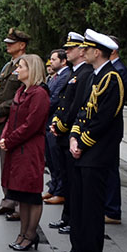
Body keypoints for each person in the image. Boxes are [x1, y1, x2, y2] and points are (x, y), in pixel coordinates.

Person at [55, 29, 124, 252]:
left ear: (98, 52)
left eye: (87, 49)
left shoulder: (111, 78)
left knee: (92, 208)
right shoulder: (93, 76)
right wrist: (74, 136)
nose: (83, 52)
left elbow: (104, 118)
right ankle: (77, 248)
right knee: (78, 203)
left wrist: (82, 143)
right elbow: (82, 111)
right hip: (82, 150)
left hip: (97, 152)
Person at [0, 54, 50, 250]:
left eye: (20, 67)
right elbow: (11, 119)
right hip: (17, 149)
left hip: (29, 150)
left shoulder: (39, 94)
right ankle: (22, 233)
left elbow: (31, 125)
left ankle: (30, 234)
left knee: (31, 194)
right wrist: (5, 136)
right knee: (21, 193)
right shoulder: (22, 91)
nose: (17, 70)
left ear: (31, 70)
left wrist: (10, 140)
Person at [47, 33, 92, 234]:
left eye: (70, 49)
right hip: (65, 135)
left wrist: (61, 126)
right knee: (67, 179)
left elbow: (76, 106)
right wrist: (57, 122)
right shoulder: (75, 73)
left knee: (74, 183)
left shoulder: (85, 74)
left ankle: (73, 220)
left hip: (72, 135)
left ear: (81, 51)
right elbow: (64, 103)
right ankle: (67, 218)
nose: (67, 52)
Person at [0, 27, 29, 218]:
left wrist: (2, 109)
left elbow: (24, 95)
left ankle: (20, 205)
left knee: (17, 163)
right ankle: (8, 200)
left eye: (11, 43)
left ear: (22, 45)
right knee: (5, 162)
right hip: (4, 120)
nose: (7, 46)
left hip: (17, 120)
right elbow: (0, 91)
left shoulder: (27, 65)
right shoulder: (8, 66)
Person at [103, 35, 127, 224]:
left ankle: (112, 211)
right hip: (109, 129)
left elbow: (114, 103)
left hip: (111, 129)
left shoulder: (118, 70)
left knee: (111, 170)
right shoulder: (113, 69)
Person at [43, 48, 70, 203]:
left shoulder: (65, 77)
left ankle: (60, 191)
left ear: (63, 61)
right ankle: (53, 188)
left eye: (54, 59)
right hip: (48, 123)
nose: (51, 62)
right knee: (51, 159)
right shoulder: (54, 77)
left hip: (55, 123)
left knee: (58, 160)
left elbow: (54, 99)